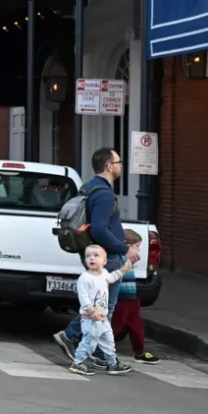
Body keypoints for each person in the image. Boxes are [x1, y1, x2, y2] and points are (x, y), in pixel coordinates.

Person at [54, 147, 139, 366]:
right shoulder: (104, 194)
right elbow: (100, 229)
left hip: (97, 253)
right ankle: (71, 335)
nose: (121, 166)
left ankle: (101, 354)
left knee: (103, 307)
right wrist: (124, 248)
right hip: (107, 257)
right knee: (104, 308)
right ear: (109, 166)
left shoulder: (90, 188)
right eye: (118, 162)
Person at [69, 244, 134, 376]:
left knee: (109, 342)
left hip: (103, 318)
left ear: (104, 261)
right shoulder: (85, 278)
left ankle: (112, 364)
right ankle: (77, 363)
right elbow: (83, 297)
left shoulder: (104, 274)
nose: (91, 258)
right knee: (89, 342)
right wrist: (91, 311)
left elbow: (112, 278)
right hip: (90, 319)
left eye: (96, 256)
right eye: (88, 256)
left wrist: (123, 269)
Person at [111, 229, 161, 364]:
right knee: (115, 326)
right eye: (137, 247)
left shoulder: (128, 261)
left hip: (131, 299)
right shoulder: (119, 260)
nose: (138, 251)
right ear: (126, 247)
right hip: (121, 299)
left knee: (137, 327)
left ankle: (139, 352)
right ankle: (97, 349)